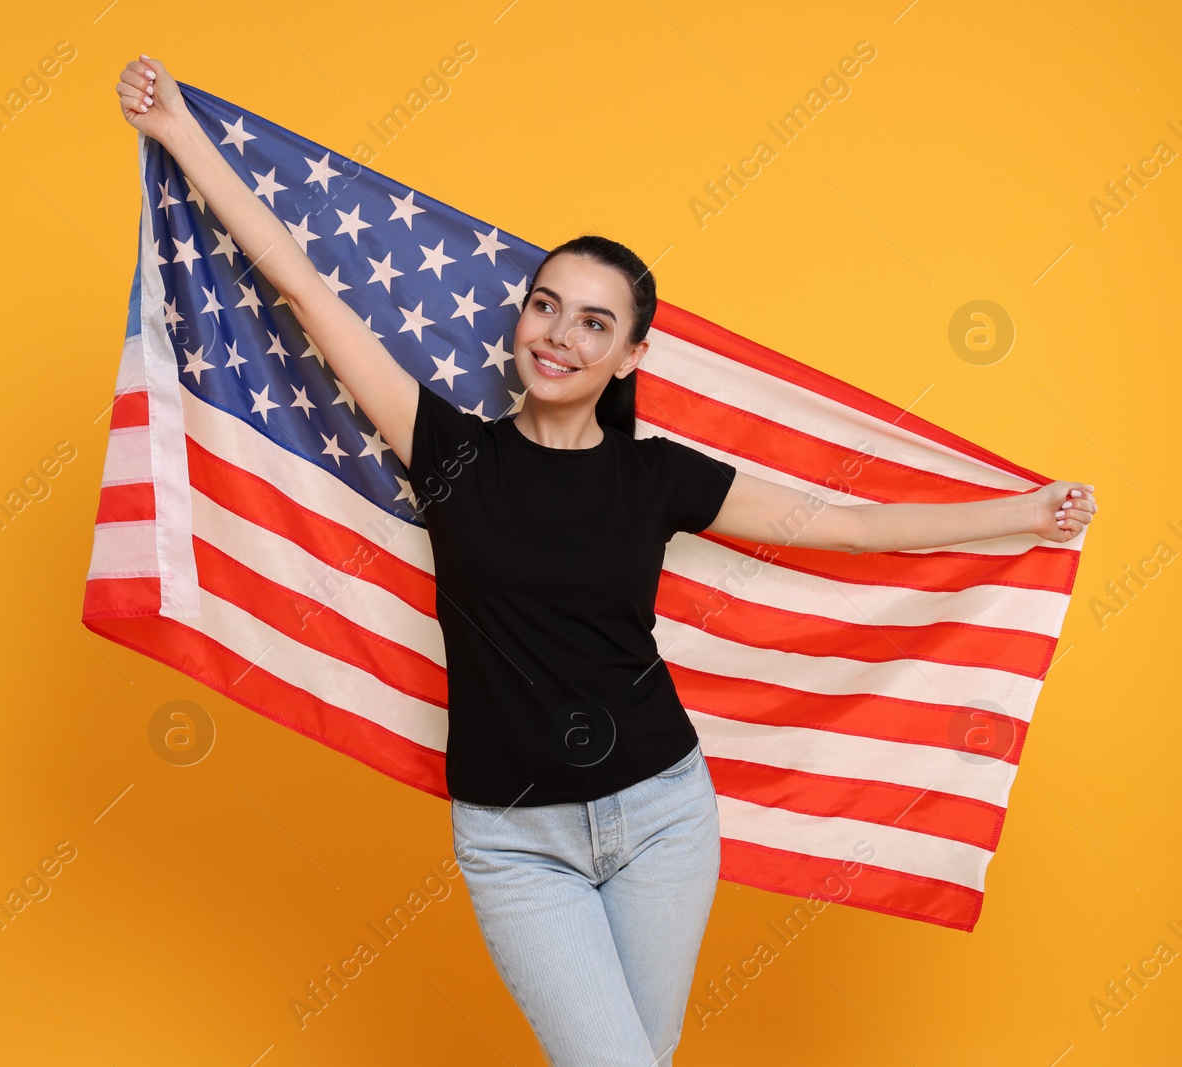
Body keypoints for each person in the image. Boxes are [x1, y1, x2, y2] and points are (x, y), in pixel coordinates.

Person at [116, 56, 1099, 1066]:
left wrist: (1018, 514)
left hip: (663, 815)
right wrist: (179, 132)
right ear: (520, 317)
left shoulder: (657, 477)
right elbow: (304, 289)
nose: (560, 335)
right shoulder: (450, 452)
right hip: (511, 840)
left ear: (629, 355)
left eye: (595, 321)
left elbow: (844, 527)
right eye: (546, 306)